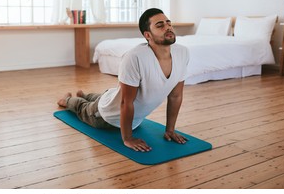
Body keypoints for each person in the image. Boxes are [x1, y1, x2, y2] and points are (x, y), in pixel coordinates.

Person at [57, 8, 190, 152]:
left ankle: (86, 95)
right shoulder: (135, 57)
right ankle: (67, 100)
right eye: (160, 25)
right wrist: (127, 138)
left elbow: (176, 96)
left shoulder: (182, 53)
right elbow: (126, 102)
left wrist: (170, 130)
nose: (168, 27)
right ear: (147, 35)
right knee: (83, 108)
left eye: (168, 23)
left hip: (118, 102)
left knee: (105, 97)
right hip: (106, 117)